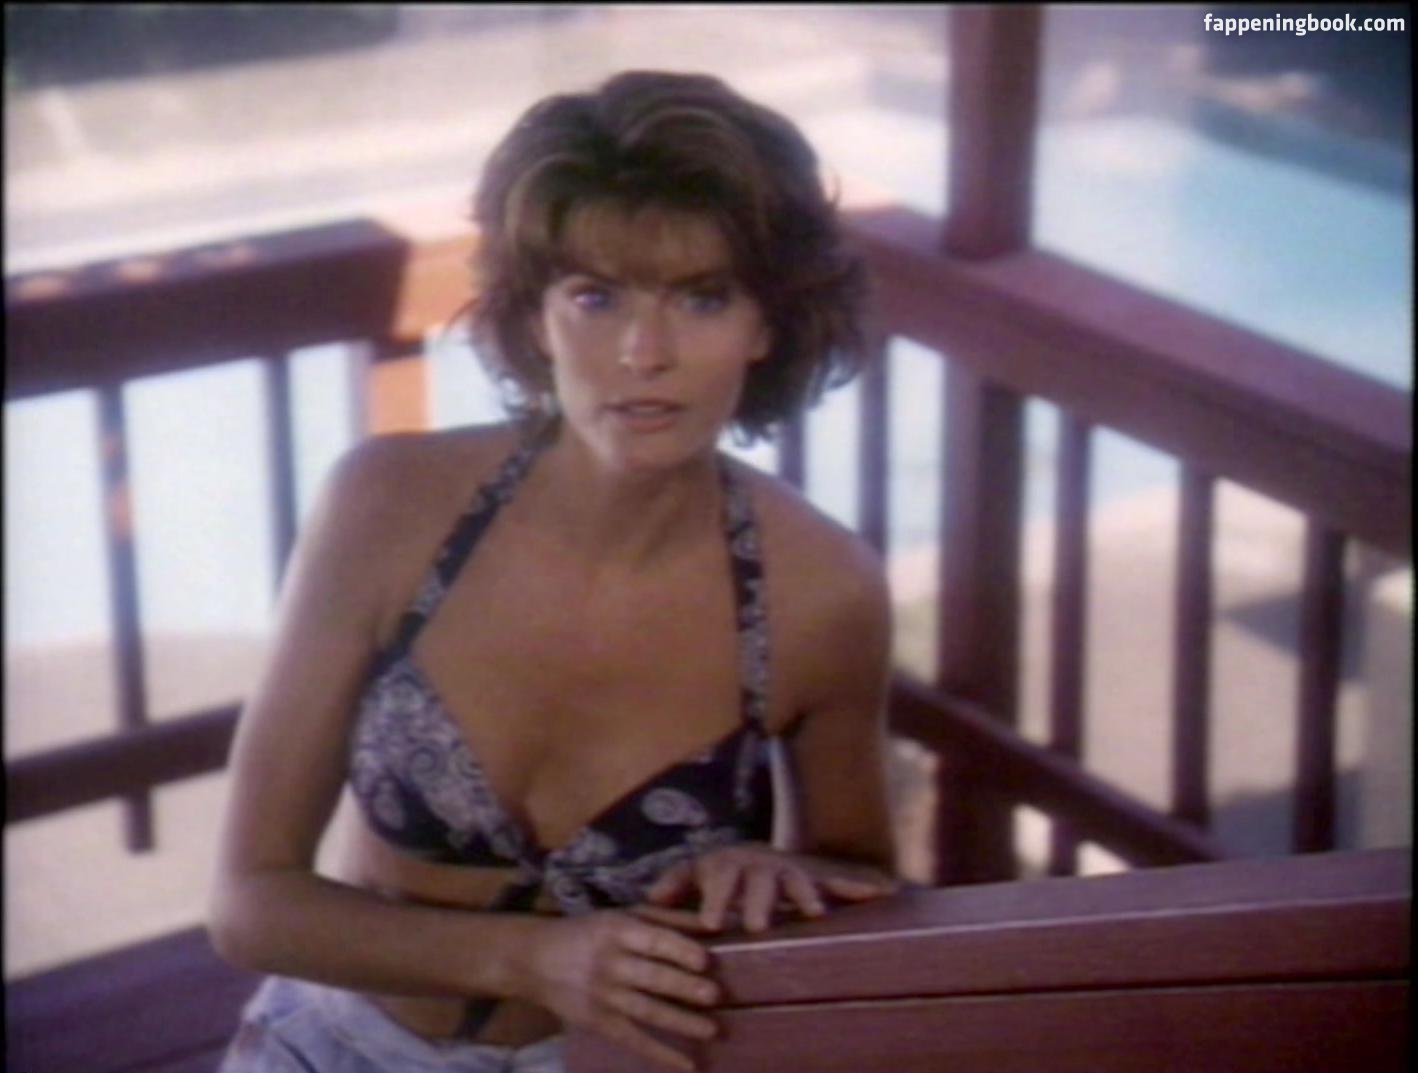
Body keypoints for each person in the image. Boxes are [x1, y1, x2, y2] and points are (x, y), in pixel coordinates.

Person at [209, 69, 898, 1073]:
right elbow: (249, 904)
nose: (643, 352)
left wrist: (781, 871)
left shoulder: (823, 591)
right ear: (536, 316)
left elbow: (869, 888)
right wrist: (534, 958)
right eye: (595, 296)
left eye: (702, 297)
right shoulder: (385, 507)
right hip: (336, 1049)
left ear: (767, 324)